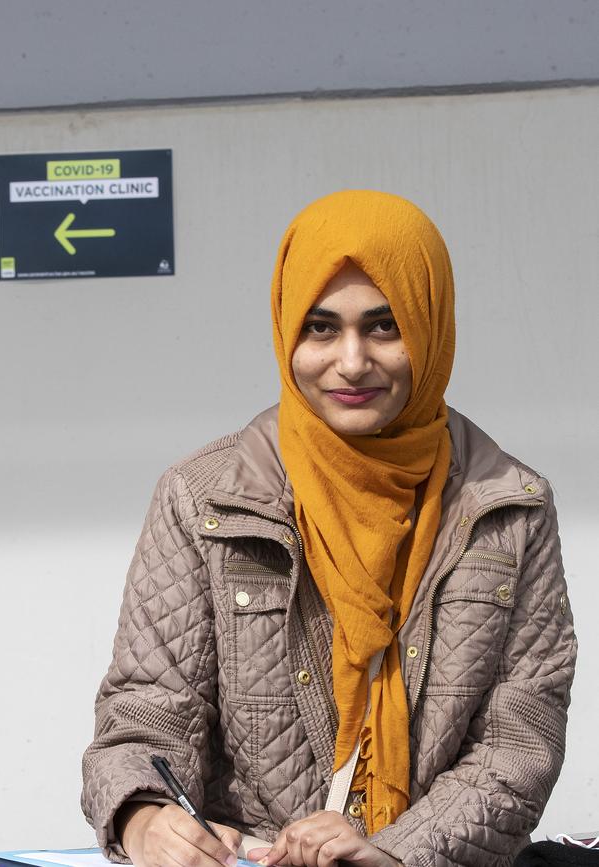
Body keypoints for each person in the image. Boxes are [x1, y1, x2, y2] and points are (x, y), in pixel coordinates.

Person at [81, 191, 576, 867]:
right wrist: (145, 817)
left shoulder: (508, 507)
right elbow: (146, 709)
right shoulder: (204, 498)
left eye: (383, 326)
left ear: (430, 328)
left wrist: (396, 851)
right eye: (320, 327)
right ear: (287, 331)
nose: (350, 361)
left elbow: (521, 741)